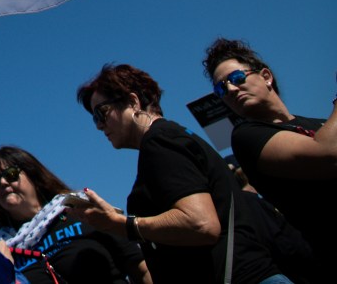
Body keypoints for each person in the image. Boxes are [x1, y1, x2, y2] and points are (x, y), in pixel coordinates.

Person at [71, 63, 290, 284]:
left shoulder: (159, 141)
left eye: (102, 113)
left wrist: (121, 224)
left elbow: (200, 223)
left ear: (132, 101)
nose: (99, 126)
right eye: (95, 118)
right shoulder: (171, 137)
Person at [202, 38, 335, 279]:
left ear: (265, 76)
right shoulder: (247, 136)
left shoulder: (319, 124)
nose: (230, 90)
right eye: (221, 89)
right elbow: (327, 154)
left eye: (236, 78)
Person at [0, 145, 150, 284]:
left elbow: (140, 266)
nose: (3, 183)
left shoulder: (80, 209)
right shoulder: (0, 251)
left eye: (10, 174)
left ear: (33, 174)